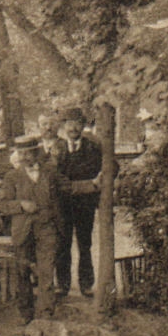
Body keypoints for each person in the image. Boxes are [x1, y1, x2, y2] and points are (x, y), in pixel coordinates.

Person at [0, 135, 60, 321]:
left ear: (36, 153)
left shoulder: (50, 173)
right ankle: (26, 313)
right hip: (22, 231)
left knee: (46, 270)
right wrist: (21, 205)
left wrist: (93, 183)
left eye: (28, 153)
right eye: (20, 153)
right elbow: (2, 204)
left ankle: (46, 312)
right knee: (22, 271)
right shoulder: (12, 177)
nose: (24, 157)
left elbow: (68, 187)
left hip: (46, 228)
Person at [55, 106, 104, 298]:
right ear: (64, 126)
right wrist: (89, 185)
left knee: (85, 244)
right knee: (63, 243)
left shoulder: (93, 147)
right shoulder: (56, 149)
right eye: (69, 124)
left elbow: (111, 165)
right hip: (63, 204)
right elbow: (56, 178)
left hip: (85, 204)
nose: (73, 128)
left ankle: (86, 284)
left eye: (77, 124)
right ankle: (63, 285)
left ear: (83, 126)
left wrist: (101, 177)